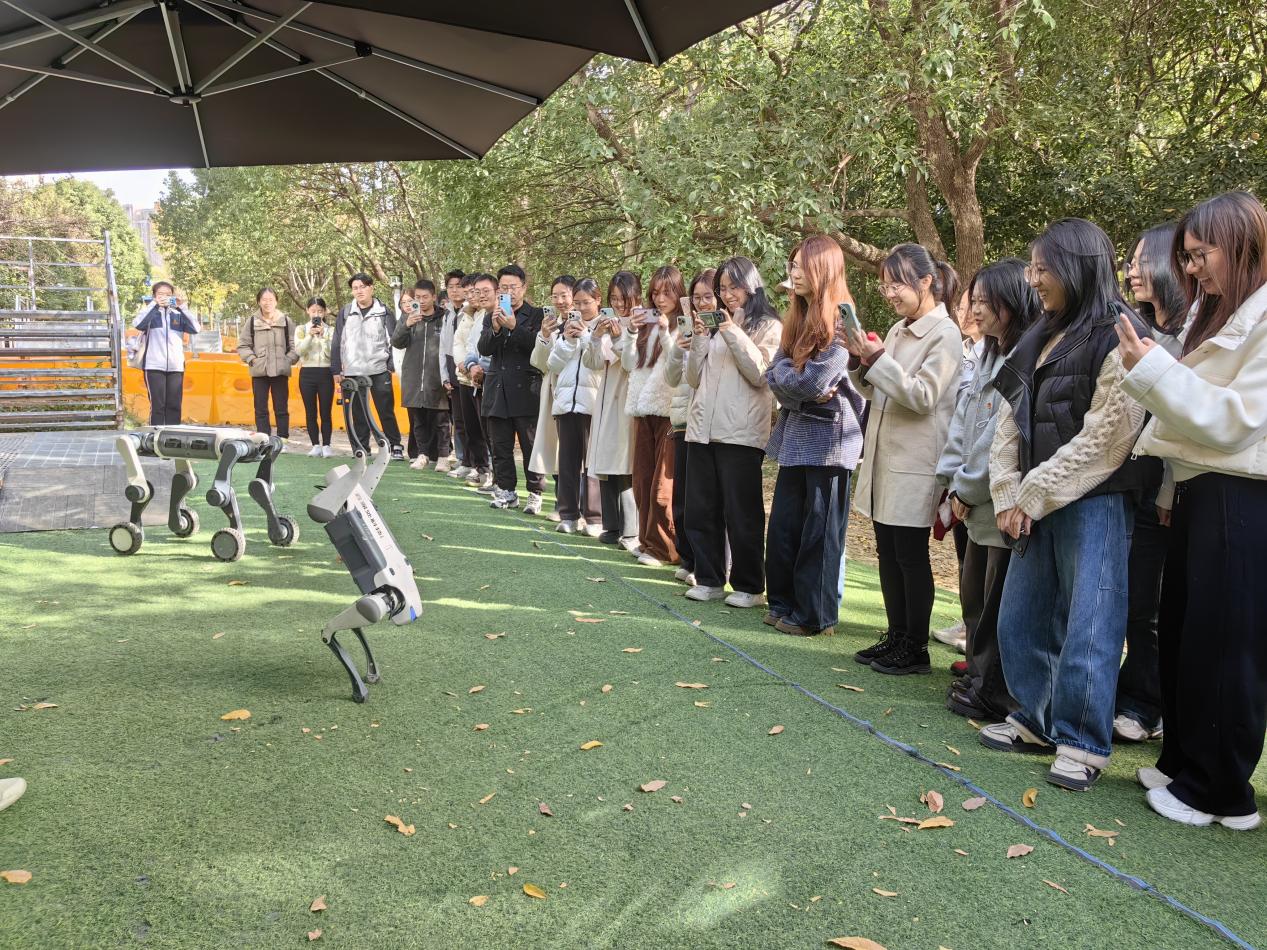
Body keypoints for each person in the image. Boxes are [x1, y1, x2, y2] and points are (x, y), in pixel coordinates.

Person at [980, 218, 1149, 793]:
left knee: (1090, 622)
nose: (1033, 280)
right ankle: (1036, 718)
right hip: (1033, 502)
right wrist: (1007, 490)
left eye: (1042, 268)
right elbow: (1008, 419)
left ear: (1077, 267)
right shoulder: (1040, 332)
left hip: (1095, 500)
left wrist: (1032, 492)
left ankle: (1082, 740)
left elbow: (1109, 436)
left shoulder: (1120, 331)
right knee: (1021, 615)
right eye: (1031, 268)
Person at [1116, 190, 1267, 828]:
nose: (1193, 269)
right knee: (1183, 632)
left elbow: (1235, 420)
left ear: (1242, 246)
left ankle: (1221, 791)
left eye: (1202, 254)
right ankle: (1184, 760)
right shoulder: (1218, 313)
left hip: (1241, 494)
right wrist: (1170, 492)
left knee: (1226, 646)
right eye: (1188, 257)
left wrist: (1152, 368)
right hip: (1196, 490)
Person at [846, 244, 962, 674]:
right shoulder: (898, 329)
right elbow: (876, 388)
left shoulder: (945, 334)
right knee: (887, 551)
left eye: (897, 284)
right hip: (884, 456)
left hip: (916, 461)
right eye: (885, 284)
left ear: (926, 281)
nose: (889, 292)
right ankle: (896, 636)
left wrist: (876, 359)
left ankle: (915, 647)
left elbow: (923, 396)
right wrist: (860, 361)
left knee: (910, 556)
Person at [937, 259, 1040, 722]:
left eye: (985, 301)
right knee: (974, 595)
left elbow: (999, 438)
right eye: (973, 300)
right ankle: (979, 678)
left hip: (998, 500)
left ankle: (994, 690)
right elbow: (963, 423)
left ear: (1012, 301)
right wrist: (951, 481)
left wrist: (967, 488)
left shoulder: (1024, 354)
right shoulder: (987, 352)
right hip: (970, 496)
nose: (975, 309)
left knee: (996, 601)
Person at [1111, 224, 1189, 745]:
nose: (1132, 271)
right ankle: (1133, 690)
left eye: (1142, 261)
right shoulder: (1140, 329)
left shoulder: (1188, 336)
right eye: (1130, 262)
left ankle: (1146, 705)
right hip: (1131, 483)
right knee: (1132, 598)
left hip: (1166, 489)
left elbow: (1179, 421)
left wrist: (1167, 492)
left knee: (1149, 602)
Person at [764, 235, 865, 635]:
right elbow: (773, 375)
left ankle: (814, 615)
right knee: (784, 528)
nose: (794, 272)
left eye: (801, 265)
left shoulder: (842, 321)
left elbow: (814, 380)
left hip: (830, 441)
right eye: (792, 265)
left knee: (819, 536)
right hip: (796, 436)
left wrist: (794, 382)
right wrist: (796, 383)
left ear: (823, 269)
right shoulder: (798, 318)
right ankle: (783, 603)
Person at [683, 256, 783, 607]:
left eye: (733, 287)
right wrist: (699, 338)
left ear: (751, 286)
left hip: (740, 433)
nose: (727, 295)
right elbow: (692, 379)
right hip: (701, 429)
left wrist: (731, 331)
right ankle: (709, 578)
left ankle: (750, 586)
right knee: (701, 510)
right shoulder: (713, 325)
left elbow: (760, 375)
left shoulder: (769, 326)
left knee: (741, 513)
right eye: (722, 288)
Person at [934, 287, 985, 659]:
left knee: (981, 563)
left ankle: (977, 634)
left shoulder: (998, 354)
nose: (968, 312)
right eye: (965, 305)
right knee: (965, 556)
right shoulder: (965, 351)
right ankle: (969, 624)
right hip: (958, 469)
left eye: (977, 304)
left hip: (978, 474)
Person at [624, 266, 682, 567]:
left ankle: (663, 547)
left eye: (667, 292)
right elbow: (628, 363)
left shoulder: (684, 325)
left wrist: (665, 331)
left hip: (669, 410)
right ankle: (647, 541)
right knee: (642, 480)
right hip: (642, 408)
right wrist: (632, 332)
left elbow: (676, 367)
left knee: (663, 485)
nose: (660, 299)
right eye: (655, 293)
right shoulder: (645, 325)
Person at [536, 277, 603, 533]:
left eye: (586, 302)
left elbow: (598, 362)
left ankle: (594, 517)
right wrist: (568, 340)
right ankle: (568, 515)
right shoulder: (564, 328)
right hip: (565, 403)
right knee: (567, 463)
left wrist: (586, 336)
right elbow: (552, 365)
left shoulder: (604, 327)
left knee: (592, 464)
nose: (581, 307)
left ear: (598, 300)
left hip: (593, 404)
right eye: (578, 302)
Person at [478, 264, 547, 512]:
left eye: (514, 287)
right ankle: (506, 490)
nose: (509, 292)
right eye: (504, 288)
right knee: (500, 446)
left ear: (524, 288)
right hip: (498, 389)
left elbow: (537, 346)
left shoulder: (536, 315)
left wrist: (513, 327)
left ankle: (535, 492)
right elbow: (484, 349)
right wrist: (496, 328)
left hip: (526, 389)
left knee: (531, 446)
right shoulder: (491, 315)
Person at [662, 270, 714, 585]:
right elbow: (671, 378)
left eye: (708, 296)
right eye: (697, 297)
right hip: (683, 419)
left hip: (709, 424)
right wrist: (678, 348)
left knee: (702, 500)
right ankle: (688, 557)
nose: (702, 303)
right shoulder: (686, 330)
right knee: (682, 498)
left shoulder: (722, 332)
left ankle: (706, 564)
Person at [583, 272, 640, 549]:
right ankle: (611, 524)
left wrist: (619, 338)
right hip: (605, 395)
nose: (618, 304)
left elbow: (632, 362)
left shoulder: (640, 323)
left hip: (627, 395)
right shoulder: (607, 323)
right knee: (605, 459)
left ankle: (631, 528)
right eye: (614, 298)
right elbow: (592, 363)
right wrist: (596, 337)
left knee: (624, 461)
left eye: (623, 298)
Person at [331, 272, 405, 459]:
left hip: (379, 370)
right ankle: (361, 448)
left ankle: (395, 445)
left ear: (371, 288)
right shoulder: (345, 312)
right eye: (355, 288)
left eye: (363, 287)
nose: (359, 291)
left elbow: (394, 340)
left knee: (385, 410)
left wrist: (389, 365)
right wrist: (336, 369)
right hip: (353, 371)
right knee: (358, 414)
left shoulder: (384, 311)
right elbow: (337, 341)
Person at [393, 279, 453, 472]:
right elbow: (396, 342)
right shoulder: (408, 317)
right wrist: (407, 324)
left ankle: (443, 457)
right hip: (413, 376)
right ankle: (422, 454)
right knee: (418, 420)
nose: (421, 301)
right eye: (417, 297)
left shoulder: (445, 317)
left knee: (441, 420)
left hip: (437, 376)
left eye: (425, 297)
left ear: (434, 297)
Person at [130, 281, 200, 425]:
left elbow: (195, 328)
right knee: (158, 406)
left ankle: (172, 436)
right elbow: (138, 324)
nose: (164, 297)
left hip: (176, 366)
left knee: (174, 405)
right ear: (154, 296)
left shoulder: (177, 314)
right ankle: (156, 435)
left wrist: (182, 306)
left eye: (168, 294)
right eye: (160, 294)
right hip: (154, 365)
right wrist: (154, 305)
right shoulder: (151, 313)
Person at [237, 287, 299, 439]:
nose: (267, 303)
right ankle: (263, 439)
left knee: (281, 408)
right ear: (259, 302)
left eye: (271, 299)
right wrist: (252, 359)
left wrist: (288, 360)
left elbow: (295, 345)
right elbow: (243, 345)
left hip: (280, 371)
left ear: (276, 301)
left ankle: (282, 439)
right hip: (259, 371)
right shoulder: (252, 321)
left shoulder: (286, 321)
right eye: (264, 299)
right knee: (260, 409)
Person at [453, 274, 493, 489]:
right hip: (466, 377)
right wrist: (465, 364)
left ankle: (491, 471)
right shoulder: (467, 315)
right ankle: (479, 467)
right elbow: (461, 343)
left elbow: (482, 347)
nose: (473, 296)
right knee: (471, 427)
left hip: (483, 378)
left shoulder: (489, 314)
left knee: (487, 429)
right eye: (469, 292)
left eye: (476, 291)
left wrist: (475, 368)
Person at [295, 297, 336, 457]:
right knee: (310, 411)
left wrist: (323, 337)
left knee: (326, 411)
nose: (316, 314)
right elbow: (299, 351)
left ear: (325, 312)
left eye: (320, 311)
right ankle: (315, 445)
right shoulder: (301, 329)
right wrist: (310, 335)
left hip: (325, 373)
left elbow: (331, 354)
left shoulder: (331, 330)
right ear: (307, 311)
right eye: (313, 311)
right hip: (307, 373)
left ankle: (327, 445)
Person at [441, 270, 467, 472]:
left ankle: (478, 461)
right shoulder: (447, 313)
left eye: (459, 286)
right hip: (452, 369)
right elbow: (443, 347)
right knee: (458, 419)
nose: (455, 290)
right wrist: (444, 376)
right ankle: (462, 458)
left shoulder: (471, 311)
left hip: (468, 369)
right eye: (451, 287)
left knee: (472, 420)